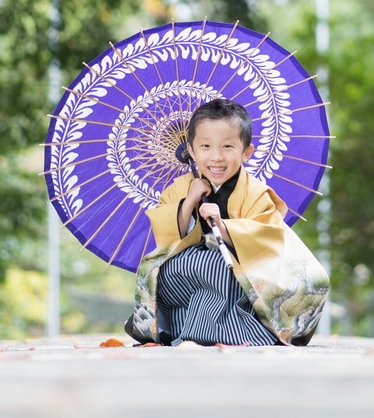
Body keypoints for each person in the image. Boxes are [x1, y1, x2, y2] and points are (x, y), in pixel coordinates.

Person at [124, 97, 329, 346]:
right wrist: (189, 202)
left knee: (218, 268)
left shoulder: (256, 192)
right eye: (206, 146)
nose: (216, 157)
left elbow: (268, 236)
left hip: (239, 269)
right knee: (162, 271)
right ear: (191, 150)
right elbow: (166, 238)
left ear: (246, 152)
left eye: (228, 147)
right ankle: (179, 328)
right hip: (190, 263)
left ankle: (224, 333)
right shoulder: (181, 188)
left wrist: (222, 226)